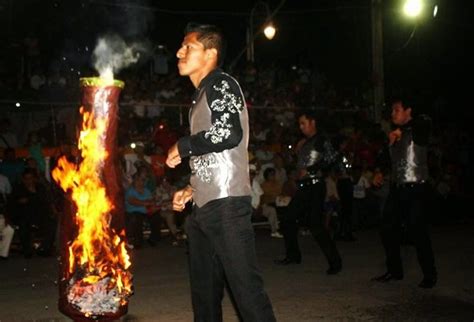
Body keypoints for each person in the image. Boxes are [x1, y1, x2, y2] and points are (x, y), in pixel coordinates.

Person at [165, 22, 276, 322]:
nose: (179, 52)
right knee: (204, 297)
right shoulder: (200, 97)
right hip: (204, 209)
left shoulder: (221, 84)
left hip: (227, 208)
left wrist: (184, 145)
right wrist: (191, 189)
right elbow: (213, 157)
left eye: (188, 47)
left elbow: (229, 133)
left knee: (248, 296)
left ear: (210, 53)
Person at [371, 96, 437, 288]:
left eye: (396, 110)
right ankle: (394, 271)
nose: (393, 114)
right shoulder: (394, 135)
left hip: (417, 188)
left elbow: (424, 124)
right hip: (397, 188)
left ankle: (430, 274)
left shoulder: (420, 127)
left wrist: (403, 130)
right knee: (387, 228)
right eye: (392, 111)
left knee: (417, 231)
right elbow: (385, 159)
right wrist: (379, 172)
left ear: (408, 111)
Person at [274, 110, 342, 275]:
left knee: (316, 225)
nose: (301, 127)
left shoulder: (321, 139)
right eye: (300, 124)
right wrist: (296, 154)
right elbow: (299, 165)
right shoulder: (305, 142)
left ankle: (335, 262)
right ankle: (293, 255)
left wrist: (312, 169)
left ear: (312, 122)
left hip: (315, 186)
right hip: (304, 187)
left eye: (303, 123)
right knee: (288, 218)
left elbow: (333, 158)